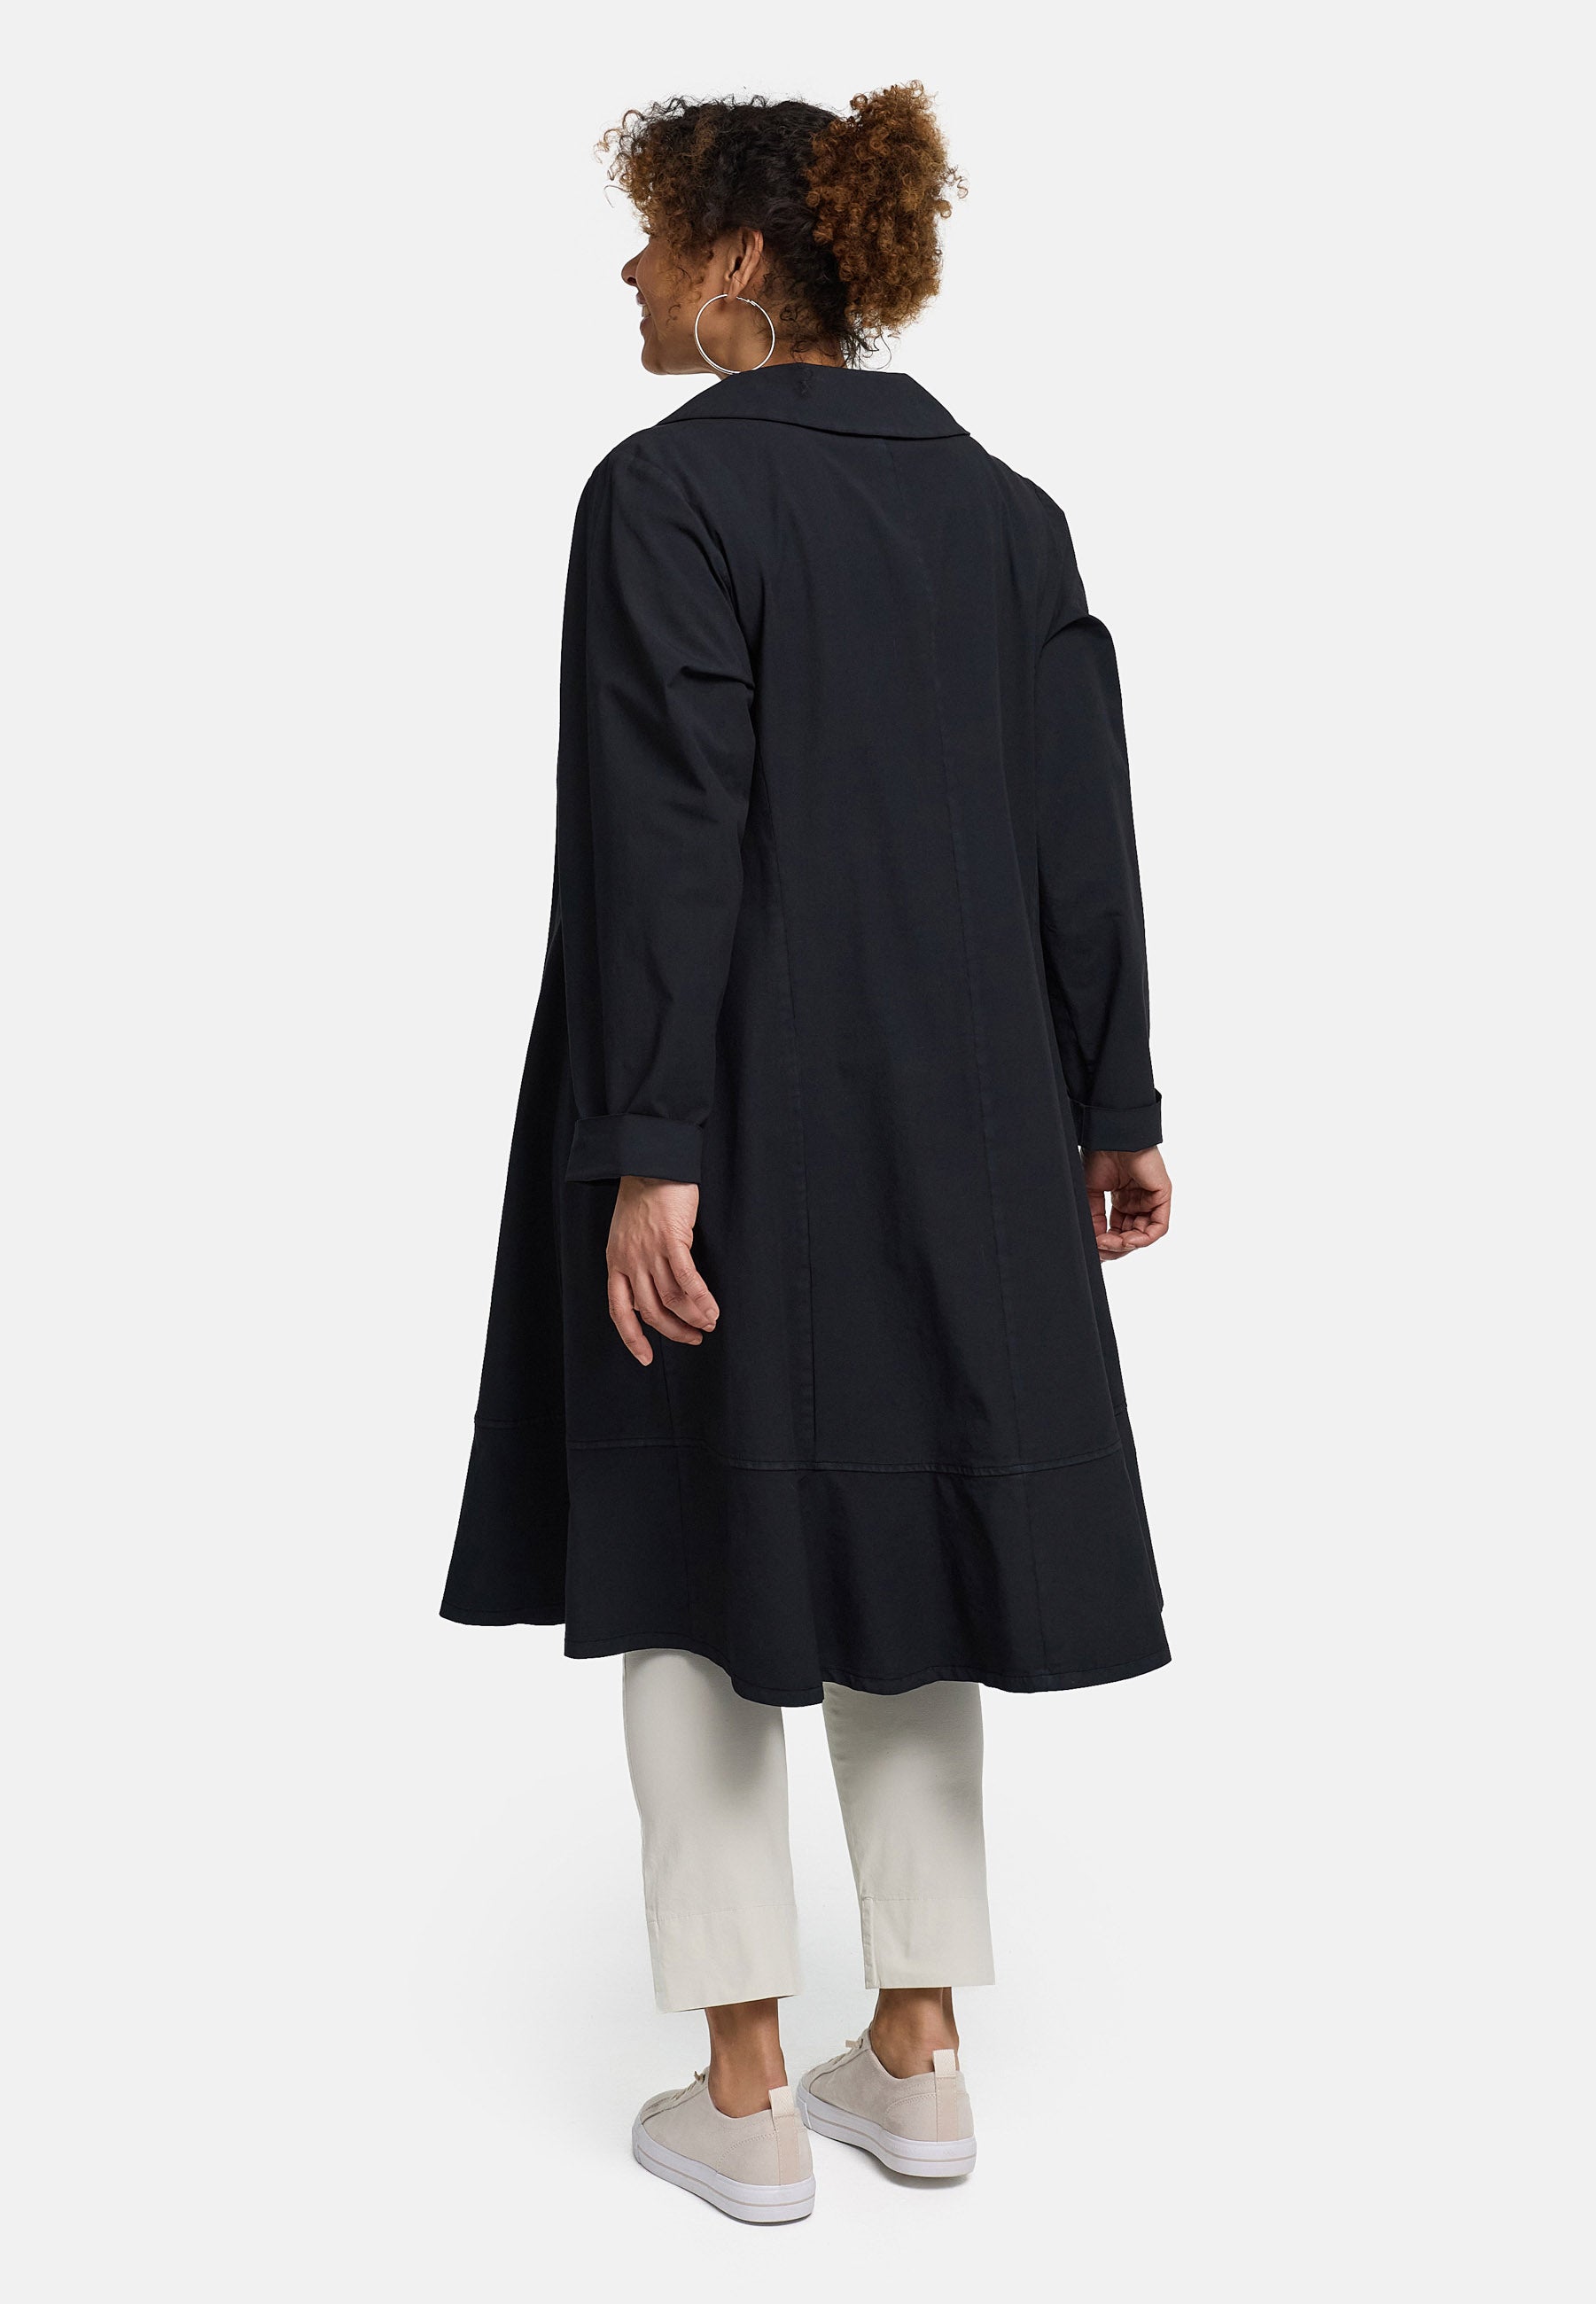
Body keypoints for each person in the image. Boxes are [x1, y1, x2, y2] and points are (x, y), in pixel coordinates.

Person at [441, 82, 1172, 2223]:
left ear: (741, 261)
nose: (632, 272)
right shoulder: (1008, 512)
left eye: (657, 236)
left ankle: (748, 2084)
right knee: (917, 1531)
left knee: (688, 1540)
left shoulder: (666, 494)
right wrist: (1114, 1102)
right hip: (968, 1127)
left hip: (736, 1112)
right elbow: (1081, 826)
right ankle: (917, 2055)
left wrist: (647, 1141)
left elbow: (665, 826)